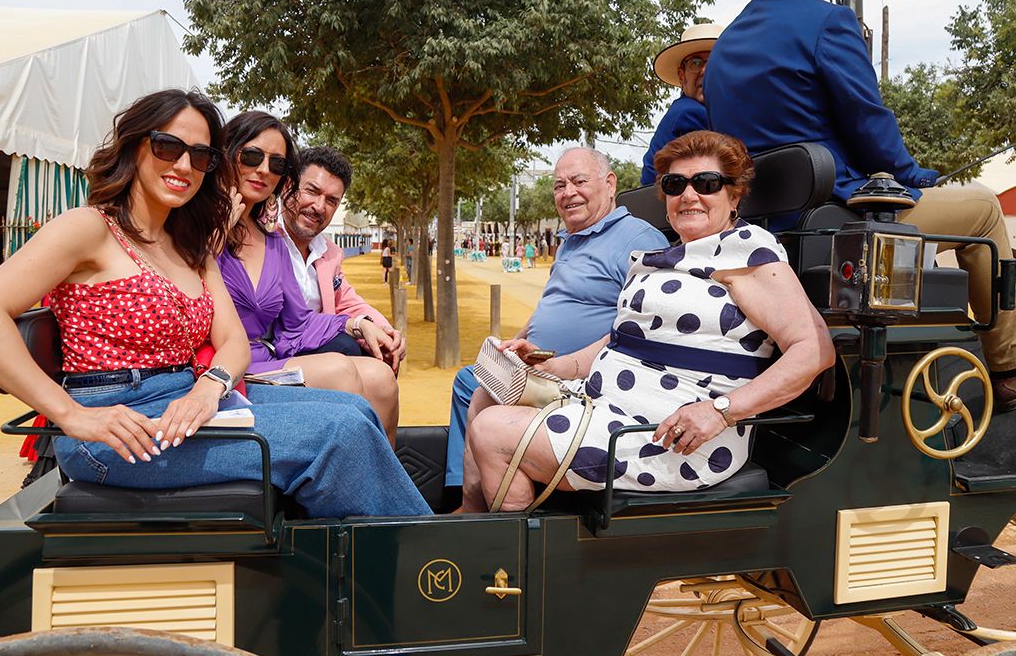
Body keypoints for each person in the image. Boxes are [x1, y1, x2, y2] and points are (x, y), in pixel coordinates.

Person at [0, 89, 426, 518]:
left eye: (199, 156)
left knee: (355, 411)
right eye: (168, 146)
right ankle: (418, 561)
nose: (183, 166)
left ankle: (367, 557)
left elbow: (233, 340)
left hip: (188, 401)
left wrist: (208, 388)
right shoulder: (89, 228)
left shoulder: (188, 244)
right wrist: (71, 415)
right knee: (338, 432)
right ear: (136, 146)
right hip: (119, 426)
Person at [702, 0, 1016, 411]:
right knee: (981, 208)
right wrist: (915, 176)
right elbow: (870, 127)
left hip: (773, 227)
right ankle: (1015, 364)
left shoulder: (726, 45)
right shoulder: (826, 22)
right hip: (842, 218)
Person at [462, 132, 835, 511]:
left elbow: (814, 350)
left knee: (492, 432)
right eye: (675, 185)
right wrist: (550, 364)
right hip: (606, 404)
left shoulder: (747, 252)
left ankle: (510, 560)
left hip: (672, 437)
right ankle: (477, 523)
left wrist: (721, 411)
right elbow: (619, 342)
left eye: (706, 183)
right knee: (486, 393)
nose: (688, 195)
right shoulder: (671, 255)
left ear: (734, 194)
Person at [443, 148, 669, 491]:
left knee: (478, 394)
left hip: (580, 380)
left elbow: (638, 328)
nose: (568, 193)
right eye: (559, 185)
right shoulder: (570, 241)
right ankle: (462, 492)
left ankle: (475, 502)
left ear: (610, 184)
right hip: (540, 366)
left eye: (579, 181)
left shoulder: (639, 240)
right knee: (469, 379)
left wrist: (561, 365)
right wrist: (516, 343)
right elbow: (551, 305)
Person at [218, 111, 399, 442]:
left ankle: (384, 478)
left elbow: (301, 320)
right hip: (226, 366)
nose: (263, 170)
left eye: (276, 165)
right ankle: (356, 480)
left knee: (381, 378)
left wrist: (364, 325)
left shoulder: (271, 240)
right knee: (340, 366)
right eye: (253, 156)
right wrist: (218, 232)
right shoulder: (201, 229)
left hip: (272, 356)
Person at [279, 146, 406, 371]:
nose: (319, 206)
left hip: (318, 348)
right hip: (275, 353)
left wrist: (385, 332)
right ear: (288, 186)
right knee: (345, 348)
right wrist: (355, 326)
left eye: (331, 200)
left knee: (381, 355)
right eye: (311, 191)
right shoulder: (261, 241)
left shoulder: (329, 253)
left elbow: (347, 301)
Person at [640, 23, 721, 186]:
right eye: (696, 63)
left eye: (713, 62)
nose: (705, 71)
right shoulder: (690, 114)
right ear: (681, 76)